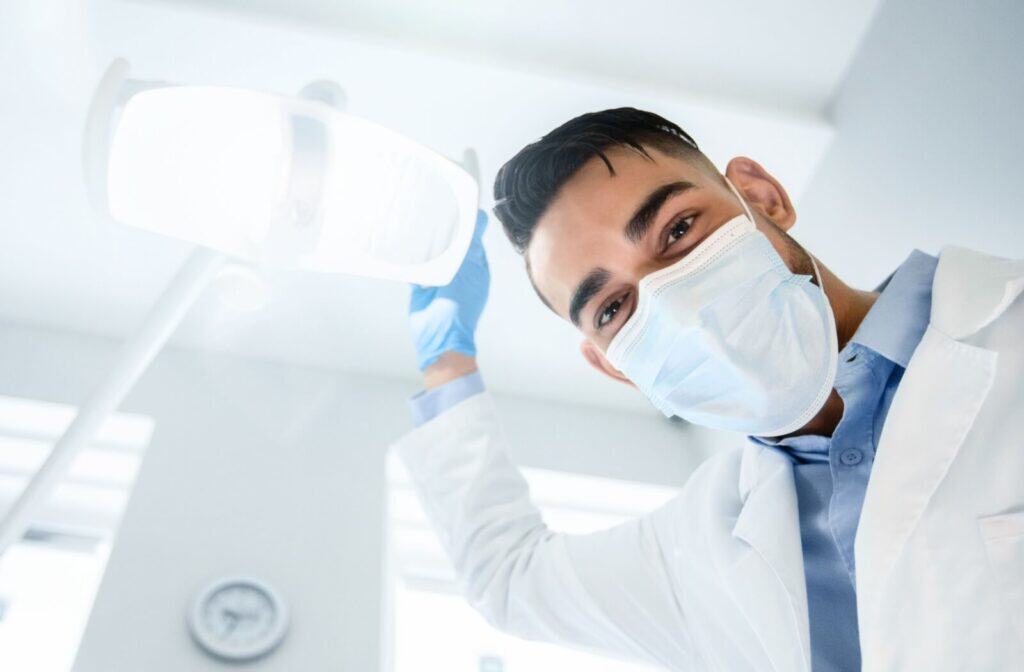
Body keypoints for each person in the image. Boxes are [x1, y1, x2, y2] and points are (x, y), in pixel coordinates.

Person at [396, 108, 1024, 671]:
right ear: (615, 368)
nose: (675, 306)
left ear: (763, 197)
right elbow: (510, 579)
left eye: (677, 230)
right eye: (614, 307)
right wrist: (447, 356)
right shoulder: (695, 554)